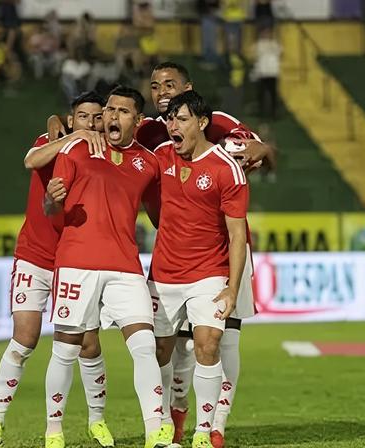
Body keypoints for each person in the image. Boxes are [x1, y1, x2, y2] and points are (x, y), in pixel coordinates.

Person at [136, 61, 271, 448]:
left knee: (219, 341)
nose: (162, 91)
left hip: (217, 261)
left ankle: (212, 426)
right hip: (167, 264)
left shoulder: (223, 135)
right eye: (155, 85)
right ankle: (170, 416)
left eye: (170, 85)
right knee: (167, 348)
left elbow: (258, 147)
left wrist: (256, 152)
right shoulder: (150, 136)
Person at [0, 91, 113, 448]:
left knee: (88, 343)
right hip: (35, 255)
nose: (91, 123)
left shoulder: (105, 154)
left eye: (97, 117)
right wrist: (69, 136)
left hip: (77, 260)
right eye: (83, 117)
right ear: (71, 119)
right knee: (25, 338)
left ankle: (97, 421)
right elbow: (30, 161)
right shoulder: (51, 142)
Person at [42, 86, 170, 448]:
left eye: (122, 111)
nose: (112, 116)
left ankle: (154, 433)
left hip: (125, 266)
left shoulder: (149, 163)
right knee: (65, 349)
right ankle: (54, 431)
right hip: (77, 262)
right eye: (109, 110)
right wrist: (51, 201)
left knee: (144, 345)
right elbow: (51, 207)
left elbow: (161, 213)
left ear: (138, 120)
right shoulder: (78, 148)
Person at [150, 91, 248, 448]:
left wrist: (232, 288)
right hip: (163, 274)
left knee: (208, 344)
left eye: (182, 120)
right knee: (157, 351)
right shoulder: (160, 156)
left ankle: (203, 432)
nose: (173, 126)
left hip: (208, 273)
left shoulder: (226, 168)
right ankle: (163, 422)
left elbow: (237, 235)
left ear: (202, 123)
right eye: (170, 120)